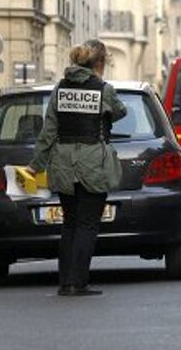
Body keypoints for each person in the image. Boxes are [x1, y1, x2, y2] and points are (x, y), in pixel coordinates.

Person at [27, 40, 127, 296]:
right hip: (93, 163)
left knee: (70, 223)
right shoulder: (103, 89)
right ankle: (78, 282)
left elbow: (48, 131)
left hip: (62, 163)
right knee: (87, 225)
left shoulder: (60, 89)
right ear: (99, 63)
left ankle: (65, 282)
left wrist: (35, 166)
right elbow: (120, 112)